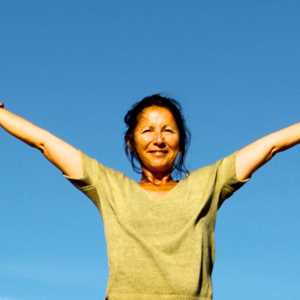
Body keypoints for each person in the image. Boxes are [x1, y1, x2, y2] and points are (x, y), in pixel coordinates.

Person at [0, 95, 299, 300]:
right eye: (147, 131)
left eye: (168, 130)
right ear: (131, 142)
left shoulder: (209, 183)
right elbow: (45, 143)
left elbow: (270, 146)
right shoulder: (109, 186)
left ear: (180, 142)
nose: (158, 139)